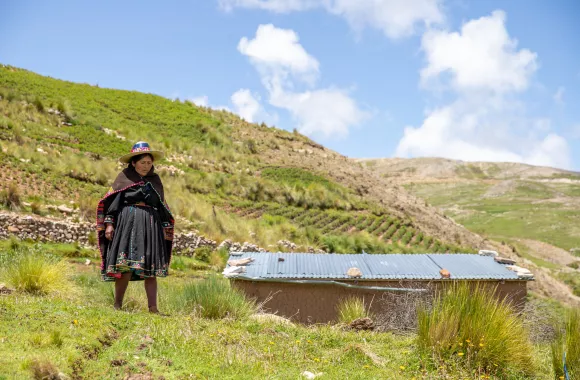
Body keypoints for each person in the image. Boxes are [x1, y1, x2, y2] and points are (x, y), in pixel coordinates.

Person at [96, 141, 174, 313]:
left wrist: (164, 225)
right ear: (133, 162)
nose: (146, 166)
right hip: (128, 222)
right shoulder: (124, 178)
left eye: (149, 162)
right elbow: (113, 202)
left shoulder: (155, 181)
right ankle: (118, 305)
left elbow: (161, 205)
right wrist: (109, 224)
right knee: (125, 266)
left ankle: (153, 308)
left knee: (150, 268)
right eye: (142, 162)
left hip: (151, 224)